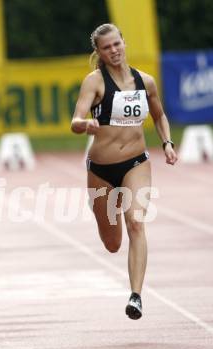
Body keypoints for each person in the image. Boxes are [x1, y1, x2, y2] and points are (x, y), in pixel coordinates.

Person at [71, 24, 177, 320]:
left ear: (124, 43)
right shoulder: (94, 82)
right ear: (99, 53)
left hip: (136, 164)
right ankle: (110, 217)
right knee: (113, 243)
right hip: (101, 170)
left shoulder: (146, 81)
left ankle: (136, 296)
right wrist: (85, 125)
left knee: (136, 223)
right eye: (107, 47)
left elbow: (159, 115)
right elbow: (75, 119)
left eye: (117, 44)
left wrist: (167, 142)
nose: (114, 51)